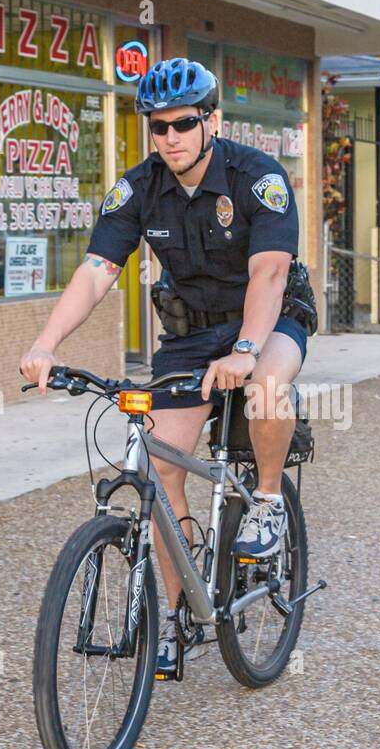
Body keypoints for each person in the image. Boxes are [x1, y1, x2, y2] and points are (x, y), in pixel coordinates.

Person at [19, 57, 306, 675]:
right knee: (158, 459)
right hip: (190, 332)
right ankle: (174, 618)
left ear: (211, 120)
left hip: (268, 318)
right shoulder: (138, 188)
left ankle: (267, 500)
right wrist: (46, 345)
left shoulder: (258, 177)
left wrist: (247, 351)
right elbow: (97, 271)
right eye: (157, 126)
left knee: (268, 387)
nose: (170, 137)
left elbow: (270, 273)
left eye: (182, 123)